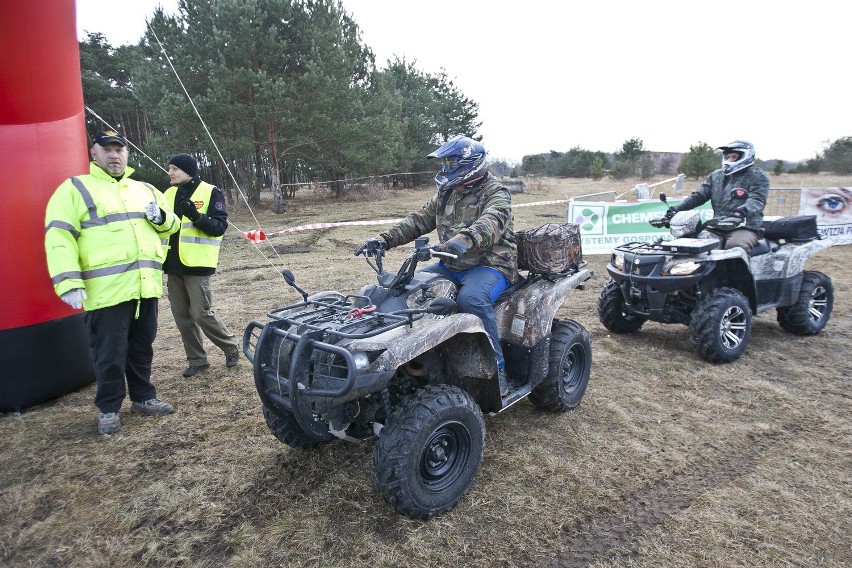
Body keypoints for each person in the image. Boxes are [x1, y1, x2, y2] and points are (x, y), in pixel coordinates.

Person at [355, 135, 517, 396]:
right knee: (407, 290)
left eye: (451, 163)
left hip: (491, 265)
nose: (446, 169)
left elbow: (492, 223)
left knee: (471, 301)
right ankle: (417, 361)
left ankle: (497, 370)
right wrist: (383, 240)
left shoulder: (496, 192)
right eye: (445, 163)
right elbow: (418, 220)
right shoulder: (446, 192)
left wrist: (464, 239)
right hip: (450, 264)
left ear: (471, 163)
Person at [44, 130, 180, 434]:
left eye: (119, 149)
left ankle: (144, 398)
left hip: (145, 287)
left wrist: (161, 218)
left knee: (142, 347)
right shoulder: (75, 189)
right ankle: (108, 408)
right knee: (109, 353)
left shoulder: (145, 189)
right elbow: (59, 236)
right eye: (107, 150)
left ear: (127, 154)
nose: (114, 155)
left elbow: (172, 226)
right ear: (94, 153)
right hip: (106, 293)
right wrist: (67, 281)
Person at [162, 153, 240, 378]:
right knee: (181, 316)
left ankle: (230, 346)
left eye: (174, 168)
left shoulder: (210, 191)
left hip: (197, 265)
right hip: (172, 265)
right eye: (169, 168)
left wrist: (196, 216)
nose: (170, 173)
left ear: (188, 171)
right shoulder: (168, 194)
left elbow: (219, 227)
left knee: (200, 313)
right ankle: (197, 360)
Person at [668, 140, 769, 254]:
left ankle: (737, 272)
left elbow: (757, 200)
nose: (729, 160)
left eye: (734, 157)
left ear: (746, 156)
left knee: (735, 248)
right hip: (716, 226)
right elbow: (699, 196)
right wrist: (676, 209)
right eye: (728, 156)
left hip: (745, 226)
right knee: (696, 246)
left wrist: (740, 212)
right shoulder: (716, 176)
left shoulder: (758, 176)